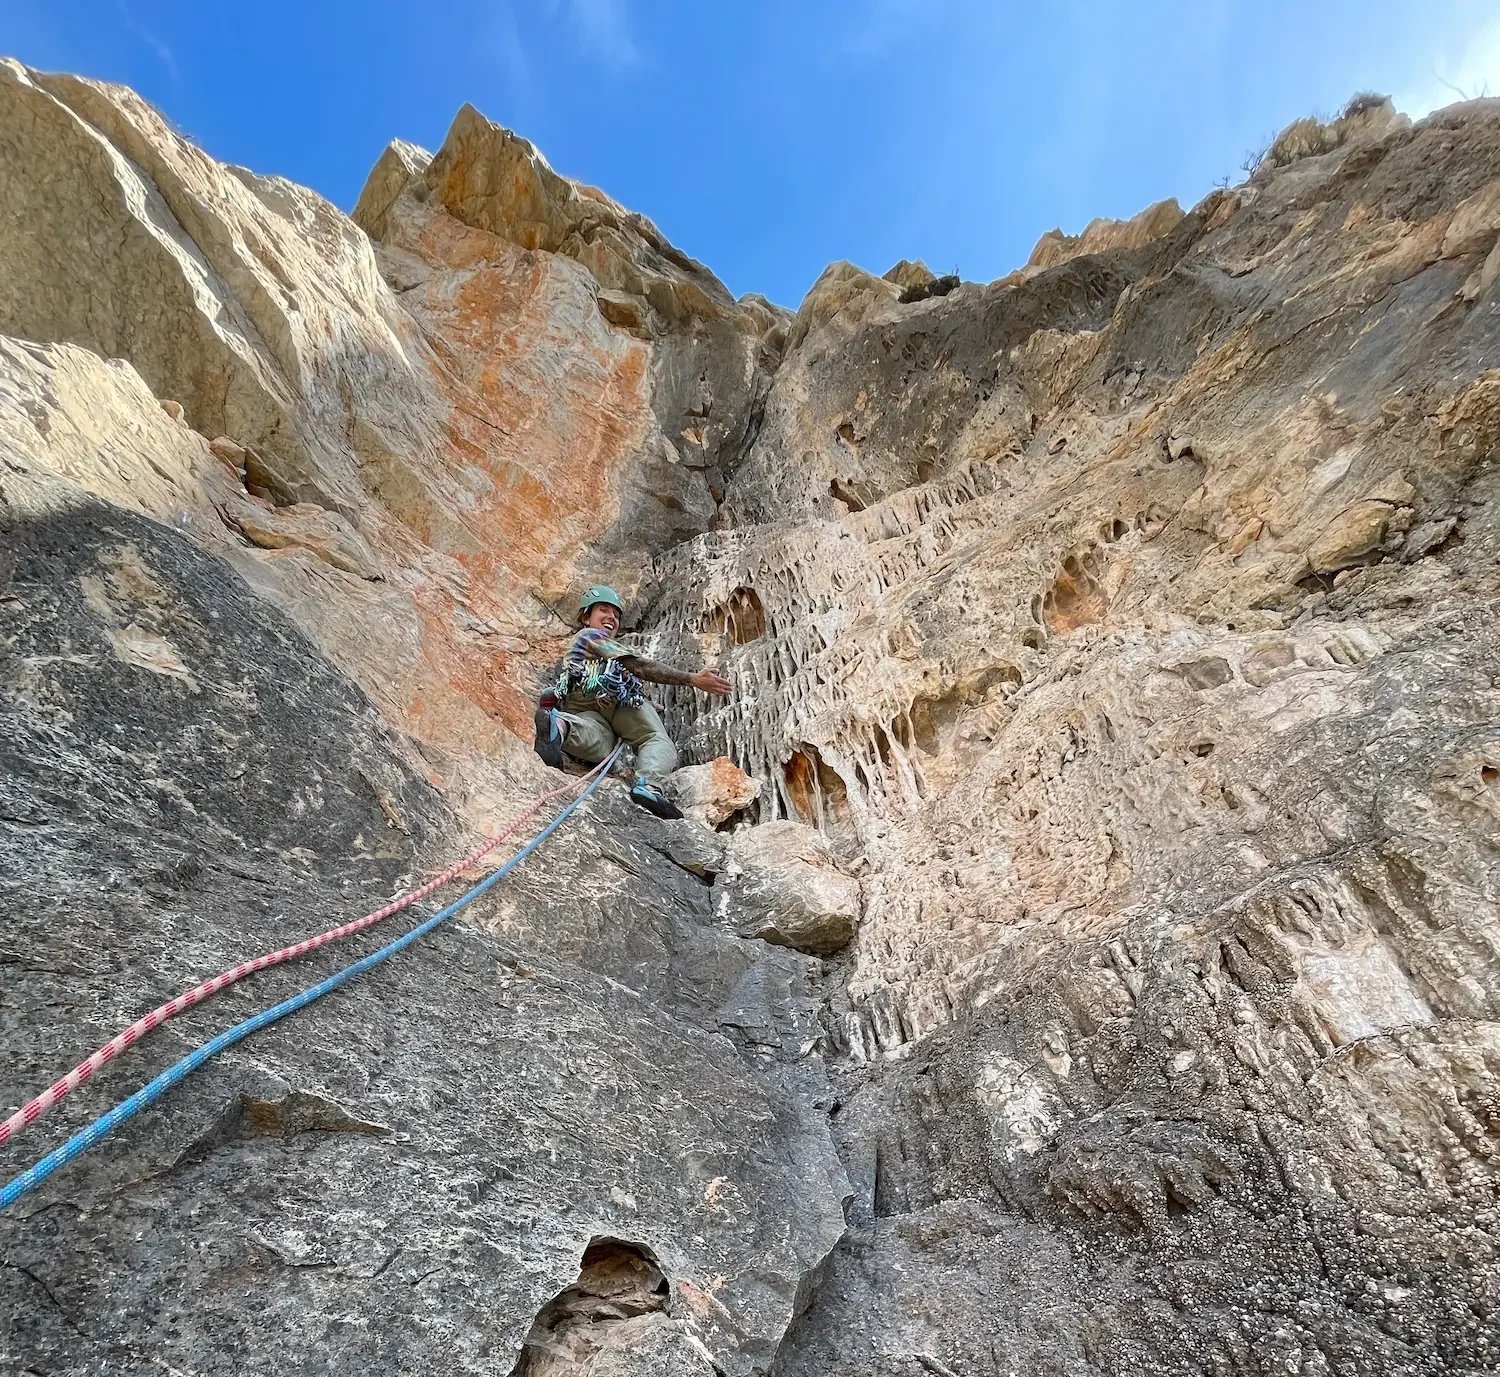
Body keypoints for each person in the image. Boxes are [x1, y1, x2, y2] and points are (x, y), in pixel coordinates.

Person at [534, 586, 732, 818]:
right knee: (654, 739)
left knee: (600, 744)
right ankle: (648, 785)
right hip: (614, 696)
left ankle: (558, 726)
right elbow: (638, 666)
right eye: (603, 610)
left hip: (580, 703)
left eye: (616, 615)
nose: (612, 617)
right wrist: (692, 679)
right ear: (586, 618)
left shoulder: (578, 649)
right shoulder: (591, 636)